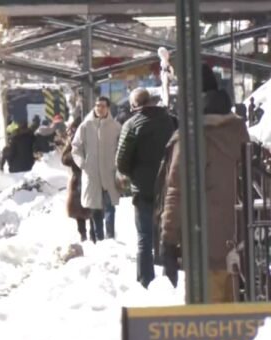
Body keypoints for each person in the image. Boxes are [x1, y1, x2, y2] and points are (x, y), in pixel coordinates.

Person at [159, 65, 250, 302]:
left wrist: (168, 240)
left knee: (206, 326)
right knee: (236, 327)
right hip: (240, 246)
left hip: (203, 248)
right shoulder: (239, 129)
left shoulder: (192, 136)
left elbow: (177, 192)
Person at [116, 88, 176, 288]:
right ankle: (171, 278)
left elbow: (121, 162)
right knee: (168, 233)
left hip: (143, 189)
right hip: (168, 186)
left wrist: (134, 173)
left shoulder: (131, 125)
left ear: (134, 106)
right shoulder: (171, 121)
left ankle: (145, 280)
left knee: (144, 237)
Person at [71, 96, 122, 240]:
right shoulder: (85, 126)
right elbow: (75, 147)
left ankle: (110, 238)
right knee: (95, 210)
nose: (100, 108)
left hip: (109, 173)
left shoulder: (116, 126)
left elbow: (121, 147)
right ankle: (100, 239)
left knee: (110, 207)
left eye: (103, 106)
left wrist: (117, 163)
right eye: (97, 105)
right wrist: (82, 163)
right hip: (91, 173)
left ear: (108, 108)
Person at [61, 118, 95, 243]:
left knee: (90, 206)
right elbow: (65, 159)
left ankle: (93, 233)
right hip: (79, 179)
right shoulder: (74, 142)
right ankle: (84, 234)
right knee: (79, 208)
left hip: (89, 178)